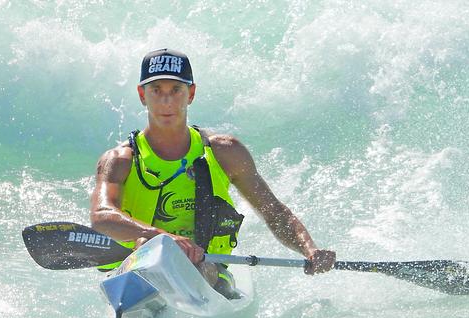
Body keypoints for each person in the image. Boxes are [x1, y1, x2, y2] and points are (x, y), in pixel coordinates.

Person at [90, 49, 335, 297]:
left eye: (176, 90)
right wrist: (162, 237)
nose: (167, 101)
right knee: (146, 246)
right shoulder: (120, 160)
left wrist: (309, 249)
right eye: (157, 91)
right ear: (142, 95)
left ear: (191, 94)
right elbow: (101, 215)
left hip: (206, 269)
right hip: (138, 268)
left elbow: (273, 211)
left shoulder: (225, 152)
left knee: (195, 265)